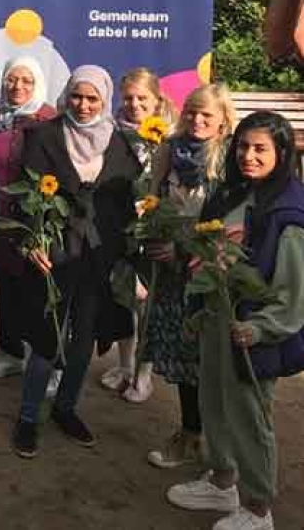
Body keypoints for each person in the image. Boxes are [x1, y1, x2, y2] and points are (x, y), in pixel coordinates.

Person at [166, 111, 304, 530]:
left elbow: (293, 291)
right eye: (243, 146)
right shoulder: (232, 194)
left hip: (250, 329)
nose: (249, 155)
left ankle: (259, 508)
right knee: (215, 402)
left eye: (261, 148)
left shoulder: (288, 211)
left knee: (250, 415)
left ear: (282, 153)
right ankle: (222, 480)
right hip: (214, 318)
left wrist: (261, 328)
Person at [11, 66, 140, 458]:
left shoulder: (119, 144)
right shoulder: (45, 137)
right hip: (53, 256)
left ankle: (66, 408)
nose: (83, 106)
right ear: (67, 96)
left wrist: (132, 259)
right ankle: (29, 416)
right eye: (77, 97)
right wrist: (29, 240)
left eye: (92, 99)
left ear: (105, 101)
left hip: (97, 259)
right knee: (46, 337)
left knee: (84, 338)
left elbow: (127, 206)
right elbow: (24, 196)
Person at [139, 84, 236, 469]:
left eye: (207, 116)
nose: (197, 120)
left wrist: (185, 249)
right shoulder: (169, 149)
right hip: (173, 276)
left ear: (222, 122)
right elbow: (153, 201)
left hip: (209, 274)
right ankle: (190, 434)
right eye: (192, 112)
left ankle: (218, 449)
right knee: (181, 359)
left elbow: (229, 225)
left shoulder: (229, 159)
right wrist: (154, 236)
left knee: (208, 361)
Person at [0, 58, 58, 382]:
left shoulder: (48, 119)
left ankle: (46, 362)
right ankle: (10, 352)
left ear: (37, 83)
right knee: (5, 289)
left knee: (36, 294)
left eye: (26, 80)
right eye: (11, 79)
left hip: (31, 220)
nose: (18, 86)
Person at [116, 66, 179, 403]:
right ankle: (124, 365)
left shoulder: (168, 138)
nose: (134, 104)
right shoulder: (114, 131)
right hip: (121, 227)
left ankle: (144, 373)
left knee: (147, 302)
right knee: (122, 295)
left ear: (157, 100)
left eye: (142, 98)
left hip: (153, 228)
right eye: (128, 98)